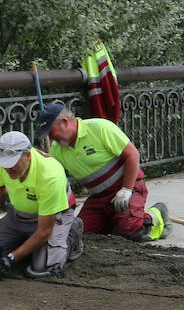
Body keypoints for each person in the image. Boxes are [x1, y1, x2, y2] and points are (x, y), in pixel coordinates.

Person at [38, 104, 169, 242]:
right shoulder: (57, 149)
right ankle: (116, 222)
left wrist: (126, 190)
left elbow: (133, 154)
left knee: (131, 229)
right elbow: (52, 179)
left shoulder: (99, 128)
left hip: (129, 187)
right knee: (78, 232)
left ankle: (156, 215)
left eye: (51, 132)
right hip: (99, 197)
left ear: (65, 122)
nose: (51, 138)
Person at [0, 131, 82, 281]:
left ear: (28, 155)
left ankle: (71, 234)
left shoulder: (50, 176)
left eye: (13, 163)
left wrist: (11, 258)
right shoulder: (3, 164)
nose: (8, 168)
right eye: (5, 163)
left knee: (43, 268)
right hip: (19, 215)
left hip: (54, 216)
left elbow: (44, 231)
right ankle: (25, 243)